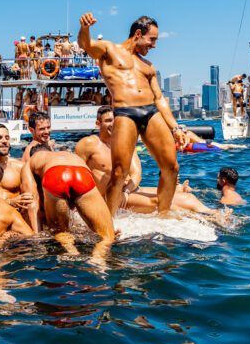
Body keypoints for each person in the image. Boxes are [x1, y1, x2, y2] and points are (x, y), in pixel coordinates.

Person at [78, 13, 185, 216]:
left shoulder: (148, 66)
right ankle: (108, 221)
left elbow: (159, 98)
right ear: (138, 34)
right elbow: (87, 45)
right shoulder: (109, 49)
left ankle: (163, 214)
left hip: (151, 112)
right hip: (125, 112)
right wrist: (85, 28)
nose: (153, 45)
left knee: (171, 168)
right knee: (119, 173)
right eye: (152, 39)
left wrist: (175, 127)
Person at [75, 106, 213, 215]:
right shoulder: (88, 144)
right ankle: (198, 216)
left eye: (115, 120)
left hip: (128, 192)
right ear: (97, 124)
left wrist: (126, 192)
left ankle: (213, 214)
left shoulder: (126, 143)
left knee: (181, 196)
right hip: (109, 198)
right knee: (156, 201)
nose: (113, 124)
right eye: (108, 121)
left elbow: (136, 173)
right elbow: (77, 175)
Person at [21, 145, 115, 259]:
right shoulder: (68, 155)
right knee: (108, 236)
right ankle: (98, 260)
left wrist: (37, 237)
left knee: (61, 233)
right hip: (82, 173)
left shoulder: (30, 162)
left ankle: (72, 254)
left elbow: (31, 201)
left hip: (55, 175)